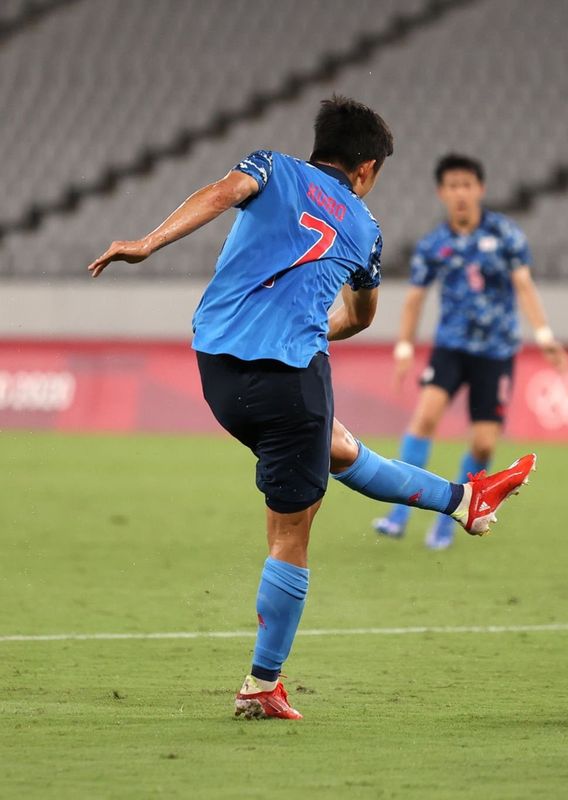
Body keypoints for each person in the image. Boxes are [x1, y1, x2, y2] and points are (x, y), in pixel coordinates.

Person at [86, 97, 536, 721]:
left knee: (339, 446)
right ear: (368, 167)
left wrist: (148, 242)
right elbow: (359, 315)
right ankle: (261, 685)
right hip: (291, 381)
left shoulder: (271, 165)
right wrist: (311, 323)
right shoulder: (366, 229)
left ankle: (464, 500)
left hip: (218, 371)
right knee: (290, 535)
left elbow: (220, 192)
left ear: (319, 145)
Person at [372, 153, 568, 549]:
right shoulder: (433, 245)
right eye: (452, 186)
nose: (460, 193)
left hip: (495, 354)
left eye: (467, 184)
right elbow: (414, 299)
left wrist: (544, 334)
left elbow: (524, 285)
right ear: (442, 193)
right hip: (450, 349)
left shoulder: (506, 235)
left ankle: (450, 521)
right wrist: (404, 348)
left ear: (480, 189)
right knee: (424, 417)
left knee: (482, 444)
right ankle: (398, 514)